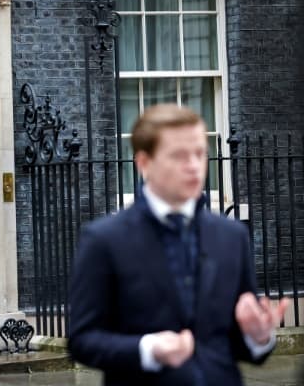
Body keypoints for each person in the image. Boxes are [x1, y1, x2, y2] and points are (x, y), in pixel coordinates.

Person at [67, 104, 289, 385]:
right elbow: (82, 340)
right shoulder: (104, 240)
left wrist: (258, 338)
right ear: (144, 162)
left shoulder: (232, 236)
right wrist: (149, 349)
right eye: (179, 156)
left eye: (199, 153)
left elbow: (231, 344)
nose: (194, 166)